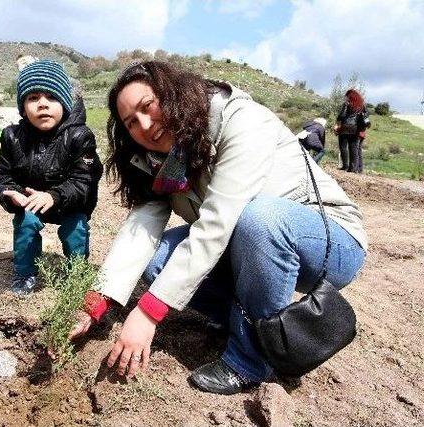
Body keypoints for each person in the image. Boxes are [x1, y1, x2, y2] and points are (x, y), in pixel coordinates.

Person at [67, 61, 367, 395]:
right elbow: (141, 230)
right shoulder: (161, 159)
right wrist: (97, 301)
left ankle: (250, 362)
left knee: (260, 218)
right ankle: (245, 321)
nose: (146, 125)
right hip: (248, 244)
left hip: (328, 239)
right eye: (131, 122)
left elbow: (216, 223)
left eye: (148, 107)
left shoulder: (241, 120)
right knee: (158, 259)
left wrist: (149, 312)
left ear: (171, 94)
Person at [0, 60, 103, 295]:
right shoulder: (12, 137)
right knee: (25, 223)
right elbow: (3, 175)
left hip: (70, 202)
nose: (42, 104)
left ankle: (76, 274)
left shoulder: (80, 136)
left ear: (64, 102)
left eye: (51, 98)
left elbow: (85, 181)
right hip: (31, 202)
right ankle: (24, 274)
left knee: (75, 229)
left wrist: (54, 195)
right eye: (33, 98)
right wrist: (8, 193)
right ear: (22, 108)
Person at [334, 89, 370, 173]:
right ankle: (353, 168)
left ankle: (345, 166)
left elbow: (341, 116)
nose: (345, 97)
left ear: (349, 96)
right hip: (356, 128)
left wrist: (345, 107)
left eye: (346, 96)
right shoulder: (362, 105)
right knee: (353, 148)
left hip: (345, 128)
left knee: (343, 147)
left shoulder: (347, 103)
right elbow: (367, 115)